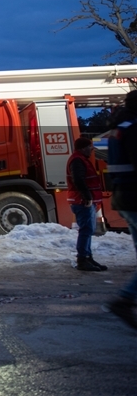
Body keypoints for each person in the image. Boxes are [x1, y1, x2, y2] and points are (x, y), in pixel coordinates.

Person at [106, 90, 137, 329]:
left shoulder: (119, 129)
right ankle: (126, 298)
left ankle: (126, 298)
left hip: (124, 197)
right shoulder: (133, 129)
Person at [66, 137, 107, 272]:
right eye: (90, 146)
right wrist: (87, 197)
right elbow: (78, 180)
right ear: (83, 148)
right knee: (86, 230)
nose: (92, 149)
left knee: (88, 229)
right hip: (82, 201)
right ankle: (83, 259)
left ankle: (87, 257)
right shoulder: (78, 160)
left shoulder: (80, 159)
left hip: (83, 200)